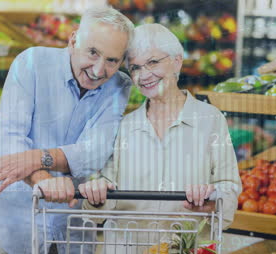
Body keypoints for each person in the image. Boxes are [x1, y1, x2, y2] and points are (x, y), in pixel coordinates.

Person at [0, 6, 134, 254]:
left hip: (72, 223)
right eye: (92, 52)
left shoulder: (119, 85)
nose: (99, 70)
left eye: (112, 60)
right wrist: (42, 180)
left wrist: (35, 157)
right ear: (73, 39)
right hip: (14, 216)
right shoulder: (31, 63)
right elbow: (10, 138)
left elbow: (94, 152)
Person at [78, 24, 242, 253]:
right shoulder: (124, 126)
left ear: (177, 61)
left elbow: (229, 187)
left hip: (188, 248)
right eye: (134, 68)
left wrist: (212, 201)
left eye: (153, 62)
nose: (143, 75)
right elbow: (101, 204)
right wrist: (96, 195)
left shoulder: (210, 120)